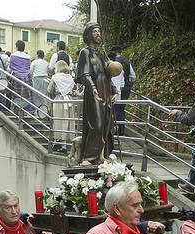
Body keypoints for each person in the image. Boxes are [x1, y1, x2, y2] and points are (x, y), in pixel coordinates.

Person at [75, 22, 116, 164]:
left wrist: (114, 91)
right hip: (94, 92)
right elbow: (84, 74)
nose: (98, 33)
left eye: (99, 31)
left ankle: (101, 155)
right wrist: (92, 88)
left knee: (106, 124)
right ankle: (88, 157)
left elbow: (107, 74)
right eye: (94, 31)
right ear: (88, 35)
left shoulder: (102, 53)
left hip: (105, 91)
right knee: (96, 124)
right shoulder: (85, 53)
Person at [48, 60, 78, 148]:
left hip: (59, 100)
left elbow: (49, 90)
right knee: (68, 121)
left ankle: (58, 142)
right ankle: (65, 143)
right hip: (69, 101)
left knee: (58, 120)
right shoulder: (71, 78)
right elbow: (73, 91)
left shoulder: (55, 77)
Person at [111, 46, 136, 136]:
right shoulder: (126, 61)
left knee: (112, 110)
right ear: (121, 51)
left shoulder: (111, 62)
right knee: (120, 109)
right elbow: (133, 76)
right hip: (125, 89)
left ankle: (113, 130)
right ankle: (121, 130)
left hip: (113, 89)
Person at [9, 40, 35, 112]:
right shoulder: (27, 57)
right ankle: (27, 111)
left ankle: (16, 110)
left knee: (16, 95)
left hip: (16, 77)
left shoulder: (13, 55)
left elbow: (11, 67)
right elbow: (29, 67)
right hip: (26, 78)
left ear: (17, 47)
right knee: (27, 95)